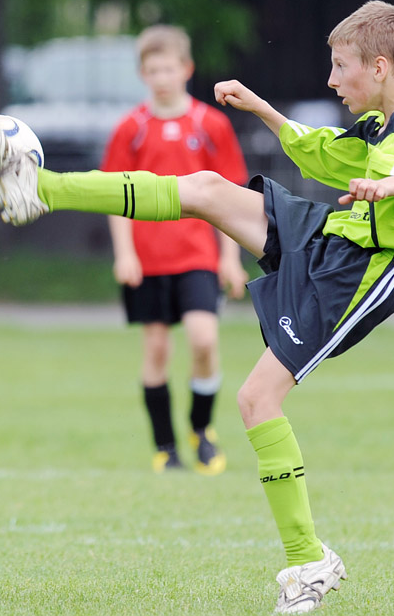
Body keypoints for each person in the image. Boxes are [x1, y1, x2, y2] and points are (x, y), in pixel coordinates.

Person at [0, 1, 394, 613]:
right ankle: (39, 186)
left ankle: (308, 560)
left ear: (382, 66)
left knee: (257, 401)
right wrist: (260, 106)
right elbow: (318, 152)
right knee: (203, 188)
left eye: (340, 68)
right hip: (340, 232)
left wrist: (387, 185)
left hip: (367, 269)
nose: (333, 80)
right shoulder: (378, 124)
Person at [102, 25, 249, 475]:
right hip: (149, 260)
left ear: (186, 69)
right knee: (158, 351)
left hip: (198, 257)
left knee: (204, 340)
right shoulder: (132, 128)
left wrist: (230, 257)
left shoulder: (210, 124)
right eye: (152, 70)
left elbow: (230, 195)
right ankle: (166, 448)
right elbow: (115, 197)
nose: (161, 77)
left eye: (169, 68)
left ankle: (201, 430)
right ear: (143, 74)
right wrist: (124, 253)